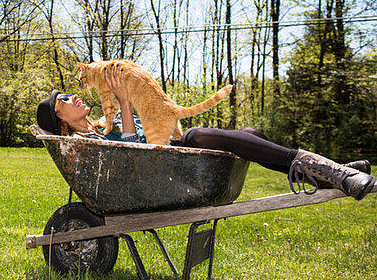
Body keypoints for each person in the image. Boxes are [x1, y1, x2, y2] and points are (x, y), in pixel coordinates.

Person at [36, 64, 376, 200]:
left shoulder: (98, 126)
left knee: (251, 133)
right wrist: (125, 100)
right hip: (164, 165)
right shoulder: (85, 143)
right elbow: (132, 150)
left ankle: (325, 172)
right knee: (198, 136)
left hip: (169, 147)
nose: (73, 95)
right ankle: (336, 173)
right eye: (63, 100)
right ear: (61, 120)